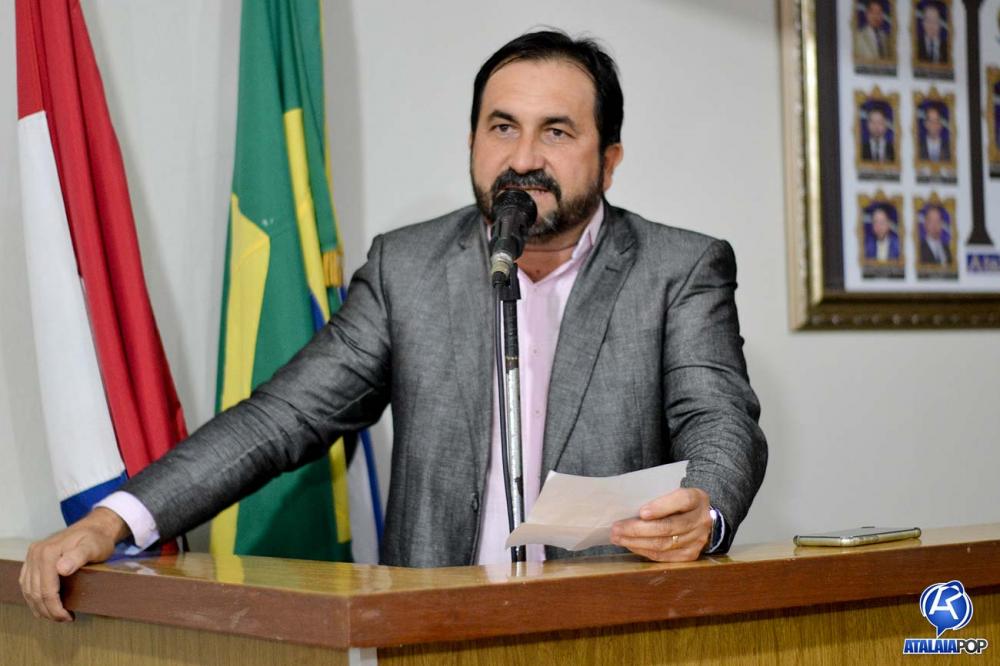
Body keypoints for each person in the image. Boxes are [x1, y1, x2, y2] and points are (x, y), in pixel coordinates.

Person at [20, 30, 768, 622]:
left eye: (557, 133)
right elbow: (283, 416)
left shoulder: (678, 268)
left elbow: (720, 420)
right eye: (502, 127)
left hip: (611, 630)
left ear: (608, 160)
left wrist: (705, 508)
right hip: (430, 631)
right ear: (472, 142)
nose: (523, 158)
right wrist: (115, 520)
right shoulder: (408, 268)